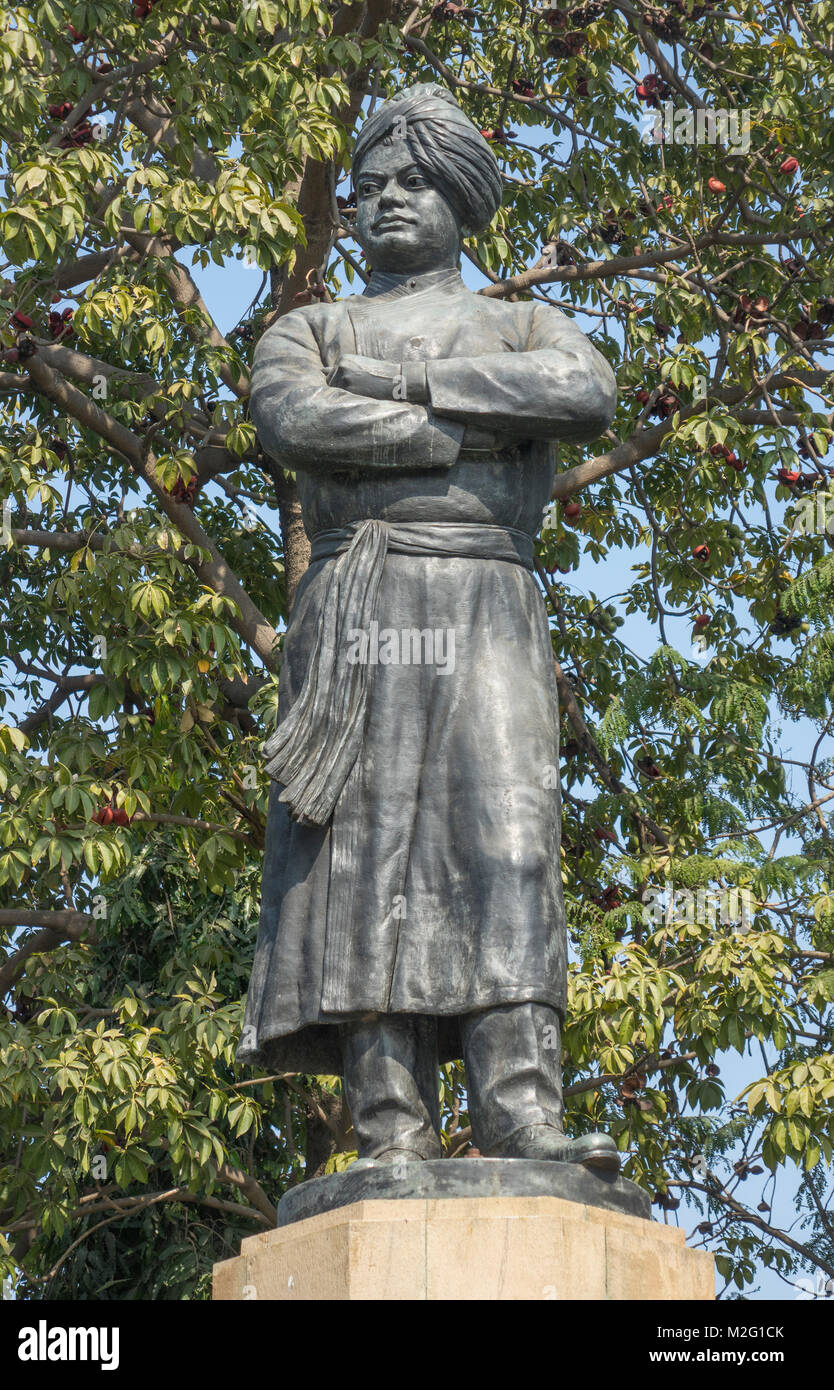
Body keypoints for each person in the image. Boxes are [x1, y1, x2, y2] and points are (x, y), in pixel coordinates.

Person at [236, 83, 619, 1171]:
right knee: (363, 858)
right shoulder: (309, 328)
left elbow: (580, 388)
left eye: (412, 181)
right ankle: (388, 1128)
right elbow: (301, 417)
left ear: (459, 194)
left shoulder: (523, 320)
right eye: (367, 189)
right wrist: (460, 437)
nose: (386, 201)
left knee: (505, 842)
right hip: (358, 608)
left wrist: (407, 383)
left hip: (486, 598)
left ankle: (521, 1113)